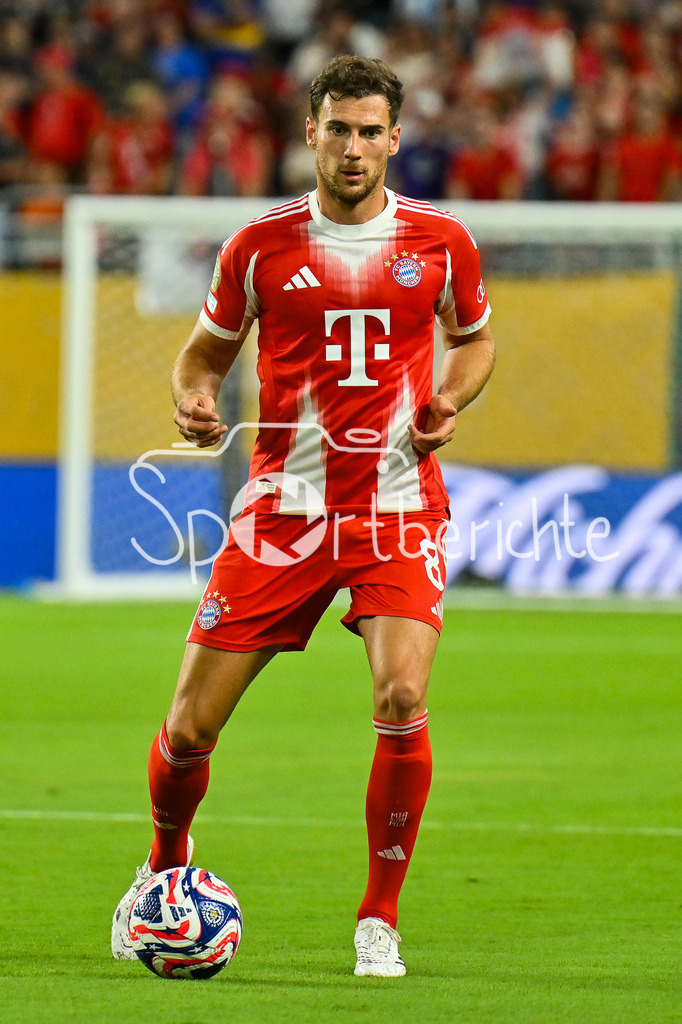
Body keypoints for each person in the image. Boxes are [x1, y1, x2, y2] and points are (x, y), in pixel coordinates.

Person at [111, 54, 495, 978]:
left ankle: (379, 919)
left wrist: (451, 397)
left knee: (403, 696)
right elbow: (202, 355)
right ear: (310, 133)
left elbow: (475, 338)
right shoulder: (258, 246)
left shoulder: (442, 241)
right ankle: (164, 874)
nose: (355, 147)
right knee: (191, 728)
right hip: (283, 509)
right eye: (339, 129)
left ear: (396, 139)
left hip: (398, 507)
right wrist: (195, 398)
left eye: (372, 131)